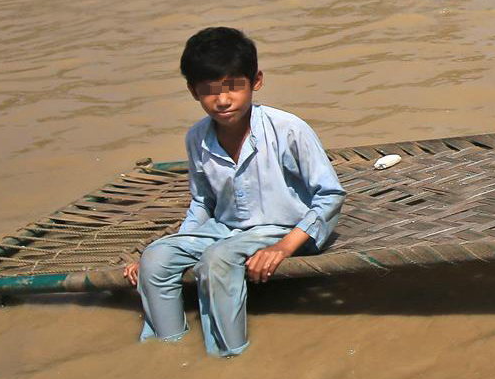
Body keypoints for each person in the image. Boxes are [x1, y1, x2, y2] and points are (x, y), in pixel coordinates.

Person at [125, 27, 345, 357]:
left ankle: (229, 357)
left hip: (283, 228)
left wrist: (284, 248)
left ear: (255, 81)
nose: (223, 100)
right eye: (210, 91)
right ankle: (168, 351)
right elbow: (202, 202)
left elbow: (329, 195)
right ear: (192, 91)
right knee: (154, 260)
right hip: (226, 229)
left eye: (233, 88)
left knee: (217, 260)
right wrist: (178, 245)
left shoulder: (288, 129)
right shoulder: (196, 137)